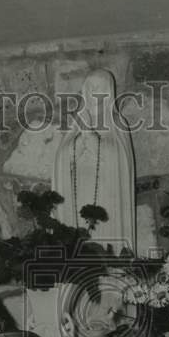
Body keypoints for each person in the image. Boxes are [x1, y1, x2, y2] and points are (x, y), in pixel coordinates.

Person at [53, 68, 137, 255]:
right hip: (79, 190)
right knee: (79, 234)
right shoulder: (77, 122)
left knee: (104, 234)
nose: (94, 92)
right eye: (90, 87)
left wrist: (93, 142)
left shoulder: (117, 122)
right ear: (84, 90)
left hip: (108, 194)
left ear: (108, 92)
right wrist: (75, 147)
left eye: (99, 88)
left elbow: (121, 161)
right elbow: (61, 159)